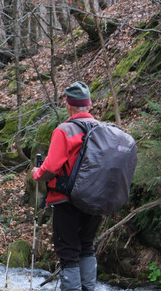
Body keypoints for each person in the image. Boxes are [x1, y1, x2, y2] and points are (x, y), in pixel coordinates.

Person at [32, 81, 102, 291]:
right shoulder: (102, 129)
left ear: (68, 105)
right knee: (87, 247)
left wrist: (37, 174)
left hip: (67, 200)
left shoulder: (65, 130)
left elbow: (51, 167)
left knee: (68, 250)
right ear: (89, 106)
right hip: (96, 199)